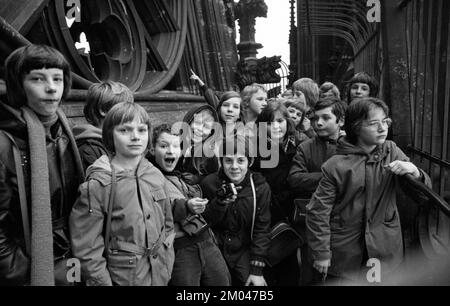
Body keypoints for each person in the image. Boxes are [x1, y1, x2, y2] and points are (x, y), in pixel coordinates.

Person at [306, 97, 431, 284]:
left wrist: (415, 172)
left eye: (385, 121)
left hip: (384, 246)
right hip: (346, 249)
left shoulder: (391, 151)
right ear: (356, 127)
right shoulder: (336, 166)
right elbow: (318, 212)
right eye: (374, 123)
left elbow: (422, 195)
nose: (382, 128)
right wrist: (322, 252)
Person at [0, 44, 84, 285]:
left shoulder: (63, 132)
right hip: (35, 268)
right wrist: (25, 274)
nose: (51, 88)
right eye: (38, 78)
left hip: (72, 257)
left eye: (57, 79)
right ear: (18, 84)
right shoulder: (6, 144)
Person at [69, 102, 175, 286]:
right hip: (124, 278)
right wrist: (102, 282)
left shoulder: (155, 174)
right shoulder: (98, 186)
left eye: (142, 130)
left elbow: (167, 224)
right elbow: (87, 248)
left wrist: (167, 258)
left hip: (159, 275)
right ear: (110, 134)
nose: (135, 137)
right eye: (124, 130)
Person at [147, 124, 230, 286]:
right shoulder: (148, 177)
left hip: (206, 241)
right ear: (152, 149)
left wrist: (220, 202)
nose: (171, 151)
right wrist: (187, 206)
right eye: (164, 146)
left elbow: (203, 217)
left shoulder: (183, 177)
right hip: (180, 249)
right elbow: (164, 208)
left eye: (176, 146)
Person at [200, 136, 271, 286]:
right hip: (215, 247)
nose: (234, 166)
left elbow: (262, 228)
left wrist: (256, 269)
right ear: (221, 161)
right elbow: (204, 221)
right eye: (228, 160)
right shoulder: (209, 184)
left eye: (240, 160)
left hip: (244, 248)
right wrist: (219, 204)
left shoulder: (259, 187)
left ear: (249, 161)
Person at [252, 99, 305, 285]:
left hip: (297, 213)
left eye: (280, 121)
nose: (276, 126)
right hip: (272, 215)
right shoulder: (258, 149)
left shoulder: (299, 144)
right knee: (279, 265)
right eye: (270, 122)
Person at [288, 98, 347, 199]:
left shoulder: (350, 147)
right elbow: (294, 179)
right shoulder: (305, 147)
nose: (318, 123)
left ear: (341, 121)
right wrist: (332, 177)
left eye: (326, 118)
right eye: (315, 118)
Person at [73, 81, 134, 171]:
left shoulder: (115, 142)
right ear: (103, 110)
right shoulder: (88, 149)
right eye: (123, 109)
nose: (130, 116)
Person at [178, 104, 220, 184]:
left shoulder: (209, 155)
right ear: (189, 122)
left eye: (206, 127)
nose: (200, 129)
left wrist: (197, 179)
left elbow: (213, 178)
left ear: (211, 132)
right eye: (197, 123)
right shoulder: (176, 144)